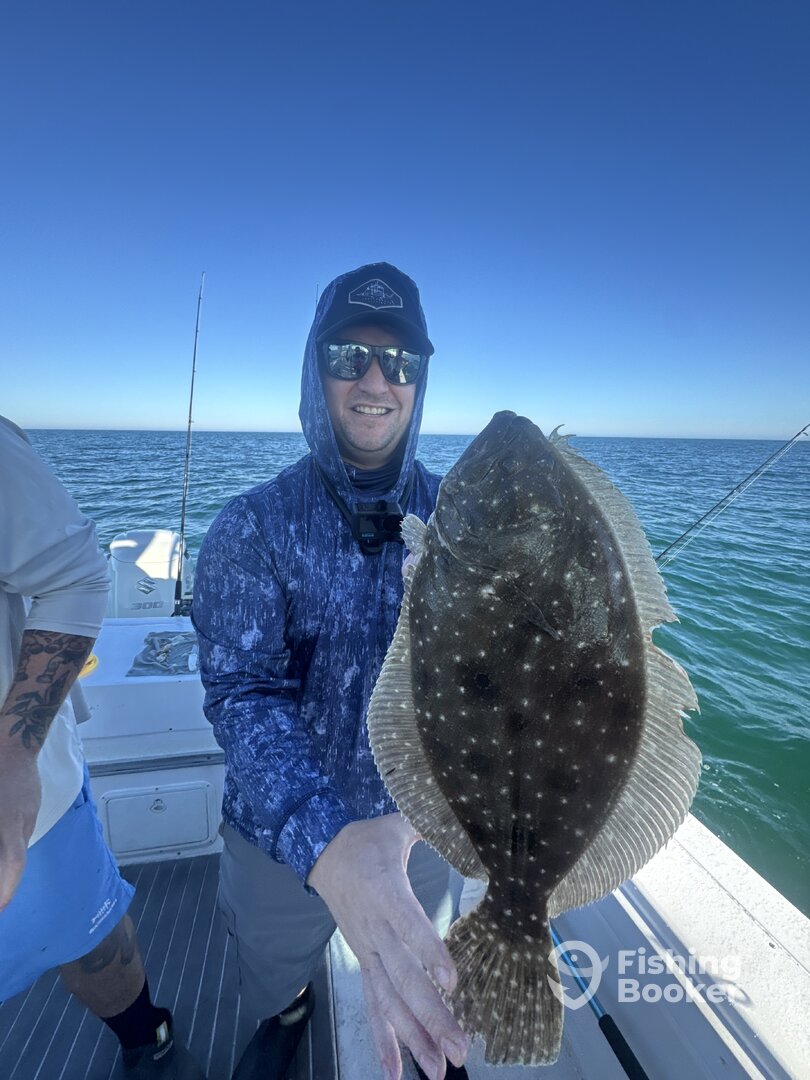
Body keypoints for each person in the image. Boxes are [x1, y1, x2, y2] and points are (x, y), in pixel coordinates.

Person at [192, 263, 470, 1080]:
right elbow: (242, 694)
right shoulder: (251, 526)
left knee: (424, 979)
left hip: (418, 827)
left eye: (401, 361)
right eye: (351, 356)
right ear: (316, 369)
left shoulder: (465, 525)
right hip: (276, 833)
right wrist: (330, 843)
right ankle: (288, 1008)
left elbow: (489, 687)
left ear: (420, 379)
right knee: (273, 967)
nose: (377, 380)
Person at [0, 415, 204, 1080]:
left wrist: (13, 755)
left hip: (24, 801)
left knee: (89, 934)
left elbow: (76, 575)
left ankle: (147, 1037)